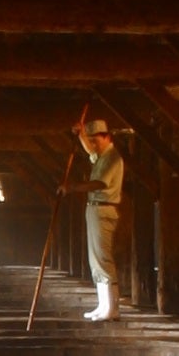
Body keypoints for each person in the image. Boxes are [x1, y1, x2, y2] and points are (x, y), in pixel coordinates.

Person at [60, 118, 126, 321]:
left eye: (96, 140)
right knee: (96, 260)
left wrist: (71, 188)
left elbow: (98, 183)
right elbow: (90, 151)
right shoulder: (102, 156)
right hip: (95, 209)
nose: (93, 145)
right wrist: (80, 135)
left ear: (107, 137)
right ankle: (103, 305)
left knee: (103, 259)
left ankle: (111, 309)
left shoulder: (113, 159)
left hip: (104, 209)